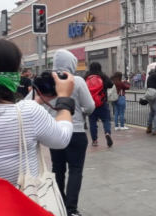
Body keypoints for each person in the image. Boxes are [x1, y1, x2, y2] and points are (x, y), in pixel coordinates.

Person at [0, 39, 75, 186]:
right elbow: (61, 139)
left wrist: (39, 99)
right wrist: (64, 99)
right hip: (20, 203)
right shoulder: (30, 112)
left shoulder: (28, 110)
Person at [41, 50, 95, 216]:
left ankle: (58, 203)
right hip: (75, 131)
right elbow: (90, 106)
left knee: (58, 169)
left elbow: (39, 105)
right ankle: (71, 209)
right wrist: (81, 114)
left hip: (54, 132)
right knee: (75, 170)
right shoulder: (77, 80)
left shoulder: (48, 81)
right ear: (71, 63)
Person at [84, 62, 114, 147]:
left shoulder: (86, 77)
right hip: (102, 102)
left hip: (90, 103)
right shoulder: (103, 76)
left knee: (92, 122)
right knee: (106, 119)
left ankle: (94, 140)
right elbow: (111, 85)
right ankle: (107, 133)